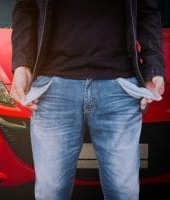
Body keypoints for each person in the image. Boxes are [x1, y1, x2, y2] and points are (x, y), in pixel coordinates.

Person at [10, 0, 165, 200]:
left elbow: (147, 12)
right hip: (53, 90)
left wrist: (153, 68)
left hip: (119, 89)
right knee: (51, 193)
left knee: (124, 193)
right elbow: (27, 7)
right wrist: (22, 64)